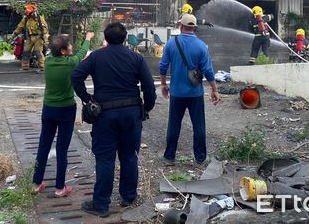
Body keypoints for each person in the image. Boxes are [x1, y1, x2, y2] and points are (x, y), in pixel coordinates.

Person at [71, 22, 156, 218]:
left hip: (105, 115)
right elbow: (149, 86)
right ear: (125, 38)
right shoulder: (136, 57)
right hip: (131, 114)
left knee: (105, 159)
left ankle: (101, 204)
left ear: (106, 39)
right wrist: (147, 107)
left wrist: (87, 98)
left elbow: (76, 76)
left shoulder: (96, 56)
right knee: (129, 156)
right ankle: (128, 197)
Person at [32, 32, 95, 198]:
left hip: (48, 109)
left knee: (43, 145)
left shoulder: (48, 61)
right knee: (62, 148)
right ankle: (60, 187)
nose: (71, 47)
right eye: (69, 46)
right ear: (63, 51)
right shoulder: (70, 63)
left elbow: (62, 50)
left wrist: (61, 38)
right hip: (66, 109)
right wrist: (88, 38)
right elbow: (82, 54)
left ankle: (37, 183)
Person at [159, 13, 220, 165]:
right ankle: (200, 158)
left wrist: (163, 84)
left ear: (181, 26)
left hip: (177, 93)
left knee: (174, 124)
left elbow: (163, 66)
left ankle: (169, 157)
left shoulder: (171, 44)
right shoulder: (201, 46)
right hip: (195, 93)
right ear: (194, 28)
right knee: (198, 126)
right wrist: (214, 89)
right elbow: (208, 71)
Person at [11, 3, 49, 70]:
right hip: (29, 37)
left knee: (38, 52)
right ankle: (25, 67)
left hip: (38, 37)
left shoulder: (39, 19)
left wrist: (46, 39)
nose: (28, 14)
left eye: (29, 13)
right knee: (26, 52)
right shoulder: (26, 19)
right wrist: (13, 36)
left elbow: (44, 30)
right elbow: (20, 27)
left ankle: (43, 67)